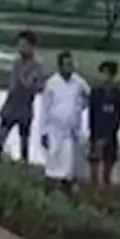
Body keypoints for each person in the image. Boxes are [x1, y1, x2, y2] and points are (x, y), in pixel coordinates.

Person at [39, 51, 89, 192]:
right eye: (66, 64)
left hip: (70, 133)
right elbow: (44, 109)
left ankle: (66, 196)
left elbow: (90, 95)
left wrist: (80, 107)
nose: (69, 67)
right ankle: (47, 196)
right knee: (52, 168)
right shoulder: (51, 83)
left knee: (68, 170)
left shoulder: (78, 82)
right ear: (60, 66)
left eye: (71, 64)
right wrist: (43, 133)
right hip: (53, 131)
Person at [0, 30, 43, 163]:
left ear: (31, 47)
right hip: (11, 105)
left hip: (24, 107)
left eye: (24, 45)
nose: (20, 48)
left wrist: (20, 76)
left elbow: (32, 86)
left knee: (24, 141)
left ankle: (23, 165)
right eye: (19, 45)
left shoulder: (36, 65)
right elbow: (11, 85)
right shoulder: (16, 62)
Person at [86, 60, 120, 194]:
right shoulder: (96, 92)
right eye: (104, 73)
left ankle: (105, 198)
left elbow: (118, 118)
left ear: (114, 76)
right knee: (94, 169)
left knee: (107, 172)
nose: (106, 77)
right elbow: (91, 115)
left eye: (109, 74)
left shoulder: (119, 95)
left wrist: (108, 137)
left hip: (111, 136)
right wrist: (94, 136)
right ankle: (93, 196)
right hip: (95, 134)